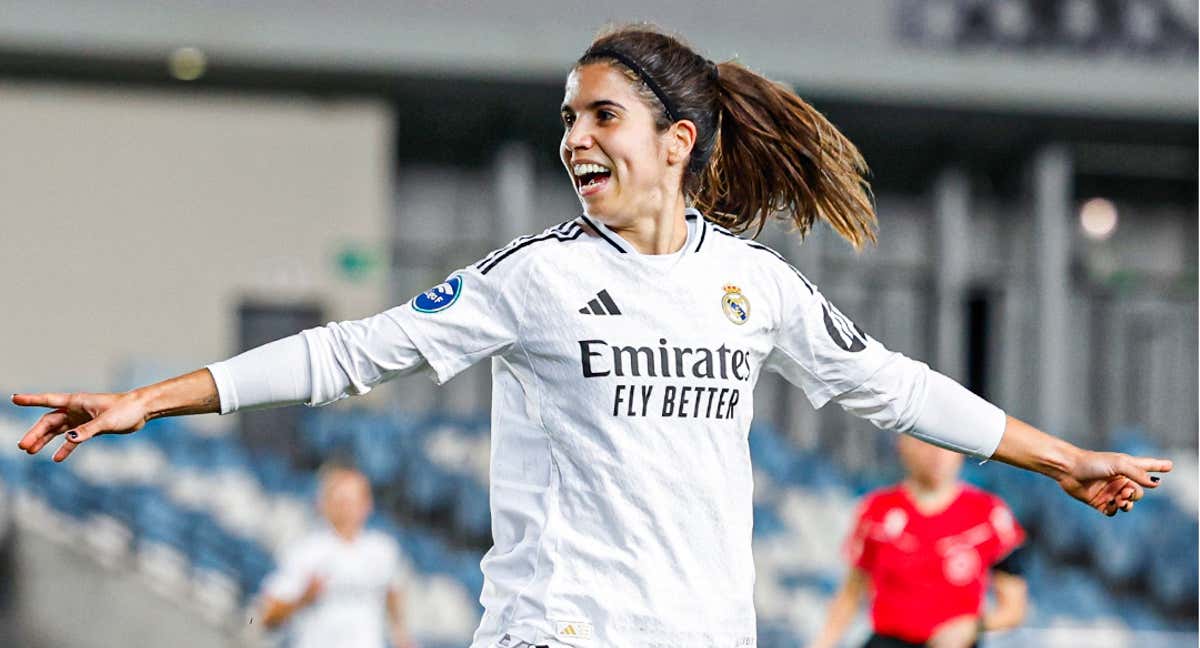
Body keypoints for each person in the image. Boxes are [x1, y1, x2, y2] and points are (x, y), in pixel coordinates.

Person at [12, 24, 1170, 648]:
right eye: (567, 117)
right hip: (562, 633)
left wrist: (1059, 457)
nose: (575, 137)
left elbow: (892, 386)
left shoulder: (752, 285)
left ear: (677, 140)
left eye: (600, 115)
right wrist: (147, 399)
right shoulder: (542, 277)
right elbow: (350, 352)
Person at [810, 436, 1028, 648]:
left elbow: (1014, 608)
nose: (937, 454)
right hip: (889, 641)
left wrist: (972, 627)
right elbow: (850, 595)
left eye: (946, 445)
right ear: (903, 445)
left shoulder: (990, 515)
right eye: (926, 443)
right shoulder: (876, 511)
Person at [258, 464, 412, 648]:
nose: (346, 508)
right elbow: (266, 617)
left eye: (353, 500)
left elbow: (392, 595)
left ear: (367, 504)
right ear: (324, 504)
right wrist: (304, 599)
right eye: (340, 501)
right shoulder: (304, 551)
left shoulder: (383, 549)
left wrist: (402, 638)